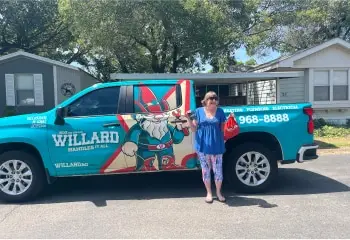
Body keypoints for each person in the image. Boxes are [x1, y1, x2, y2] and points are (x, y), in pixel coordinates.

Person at [185, 91, 227, 203]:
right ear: (205, 100)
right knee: (205, 171)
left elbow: (223, 130)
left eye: (215, 98)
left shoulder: (221, 112)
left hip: (217, 147)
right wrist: (188, 118)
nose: (213, 100)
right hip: (202, 147)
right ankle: (209, 193)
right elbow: (193, 129)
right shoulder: (198, 112)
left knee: (218, 171)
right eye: (210, 98)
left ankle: (218, 192)